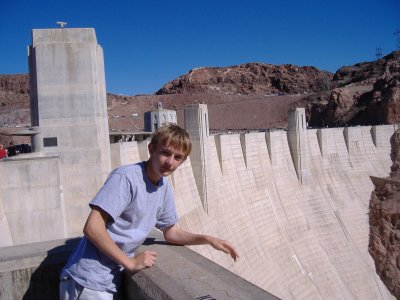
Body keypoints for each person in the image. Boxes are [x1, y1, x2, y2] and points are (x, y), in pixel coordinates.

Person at [60, 124, 239, 300]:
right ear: (151, 149)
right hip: (88, 281)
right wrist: (129, 262)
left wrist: (207, 239)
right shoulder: (126, 178)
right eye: (165, 153)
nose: (170, 162)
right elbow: (92, 227)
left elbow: (171, 232)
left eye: (178, 157)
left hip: (110, 279)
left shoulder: (163, 187)